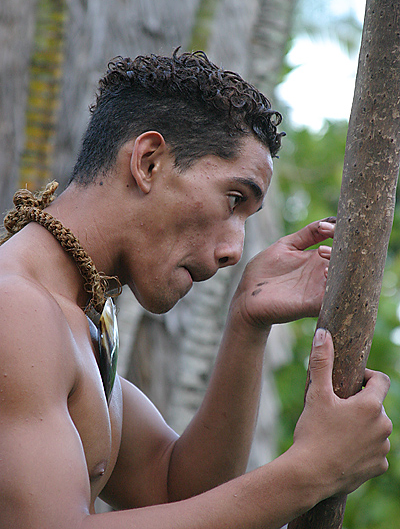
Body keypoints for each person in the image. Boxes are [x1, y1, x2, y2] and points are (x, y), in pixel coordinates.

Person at [0, 50, 391, 529]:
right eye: (233, 200)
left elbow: (176, 489)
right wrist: (310, 471)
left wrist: (248, 322)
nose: (234, 250)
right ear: (148, 162)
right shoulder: (16, 309)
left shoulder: (79, 318)